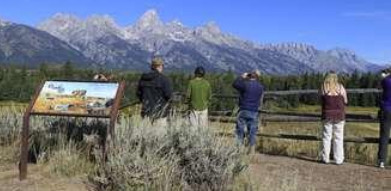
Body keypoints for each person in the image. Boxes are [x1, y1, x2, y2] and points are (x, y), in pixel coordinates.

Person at [232, 70, 264, 154]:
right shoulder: (260, 87)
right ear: (257, 77)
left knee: (240, 130)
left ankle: (239, 149)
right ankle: (251, 151)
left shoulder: (245, 84)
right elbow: (260, 99)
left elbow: (235, 84)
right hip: (254, 111)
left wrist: (242, 77)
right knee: (252, 131)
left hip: (243, 109)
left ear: (250, 76)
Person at [319, 71, 348, 165]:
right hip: (339, 115)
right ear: (336, 77)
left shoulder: (323, 87)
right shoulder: (340, 87)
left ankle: (325, 158)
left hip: (327, 115)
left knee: (326, 137)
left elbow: (320, 98)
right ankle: (338, 159)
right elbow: (346, 101)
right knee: (338, 138)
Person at [136, 57, 173, 126]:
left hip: (146, 114)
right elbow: (169, 96)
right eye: (162, 65)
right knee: (160, 135)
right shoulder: (164, 79)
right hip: (160, 114)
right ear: (160, 66)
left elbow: (138, 94)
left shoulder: (143, 78)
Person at [378, 68, 391, 168]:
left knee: (384, 135)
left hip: (386, 109)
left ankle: (382, 161)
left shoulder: (385, 81)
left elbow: (380, 85)